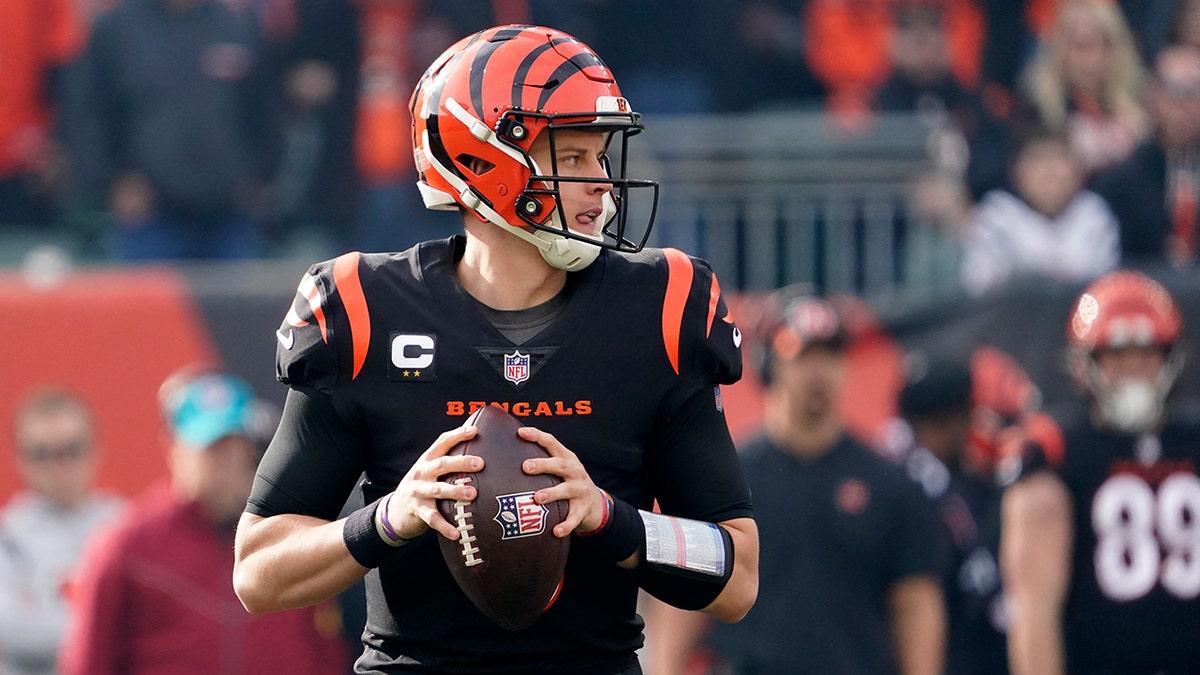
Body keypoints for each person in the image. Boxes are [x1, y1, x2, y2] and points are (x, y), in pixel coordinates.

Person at [231, 24, 758, 675]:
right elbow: (257, 569)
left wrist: (610, 519)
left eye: (602, 158)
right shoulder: (363, 309)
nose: (603, 186)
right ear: (485, 161)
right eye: (573, 158)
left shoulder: (661, 307)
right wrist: (391, 517)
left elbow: (737, 575)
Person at [645, 288, 946, 675]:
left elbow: (915, 602)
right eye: (803, 355)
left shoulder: (890, 485)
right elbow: (682, 595)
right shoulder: (720, 476)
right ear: (771, 364)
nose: (819, 372)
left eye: (832, 356)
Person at [57, 369, 348, 675]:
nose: (229, 458)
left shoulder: (287, 537)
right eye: (213, 446)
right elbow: (87, 664)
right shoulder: (125, 546)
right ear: (174, 447)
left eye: (237, 442)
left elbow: (326, 655)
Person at [1000, 269, 1200, 674]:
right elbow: (1034, 612)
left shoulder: (1191, 441)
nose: (1133, 370)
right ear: (1084, 364)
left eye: (1146, 354)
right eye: (1117, 355)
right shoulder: (1057, 451)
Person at [73, 0, 273, 261]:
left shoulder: (237, 26)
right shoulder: (116, 29)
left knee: (234, 300)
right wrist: (112, 182)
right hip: (149, 216)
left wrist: (259, 176)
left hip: (228, 214)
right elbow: (89, 114)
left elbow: (264, 110)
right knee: (147, 302)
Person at [0, 387, 125, 675]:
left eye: (72, 449)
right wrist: (112, 624)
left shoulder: (126, 526)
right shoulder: (8, 537)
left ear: (96, 448)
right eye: (43, 453)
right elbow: (12, 630)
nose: (59, 465)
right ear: (19, 458)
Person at [960, 129, 1119, 297]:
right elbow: (982, 288)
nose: (1050, 172)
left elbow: (1105, 291)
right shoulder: (997, 215)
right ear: (1016, 170)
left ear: (1078, 169)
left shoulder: (1093, 213)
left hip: (1080, 319)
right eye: (1037, 160)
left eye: (1058, 158)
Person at [1091, 45, 1200, 267]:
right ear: (1153, 98)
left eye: (1197, 91)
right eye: (1177, 91)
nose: (1188, 104)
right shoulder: (1120, 183)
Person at [1015, 0, 1149, 177]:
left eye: (1102, 44)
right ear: (1059, 50)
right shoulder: (1037, 108)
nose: (1091, 57)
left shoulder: (1141, 101)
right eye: (1081, 45)